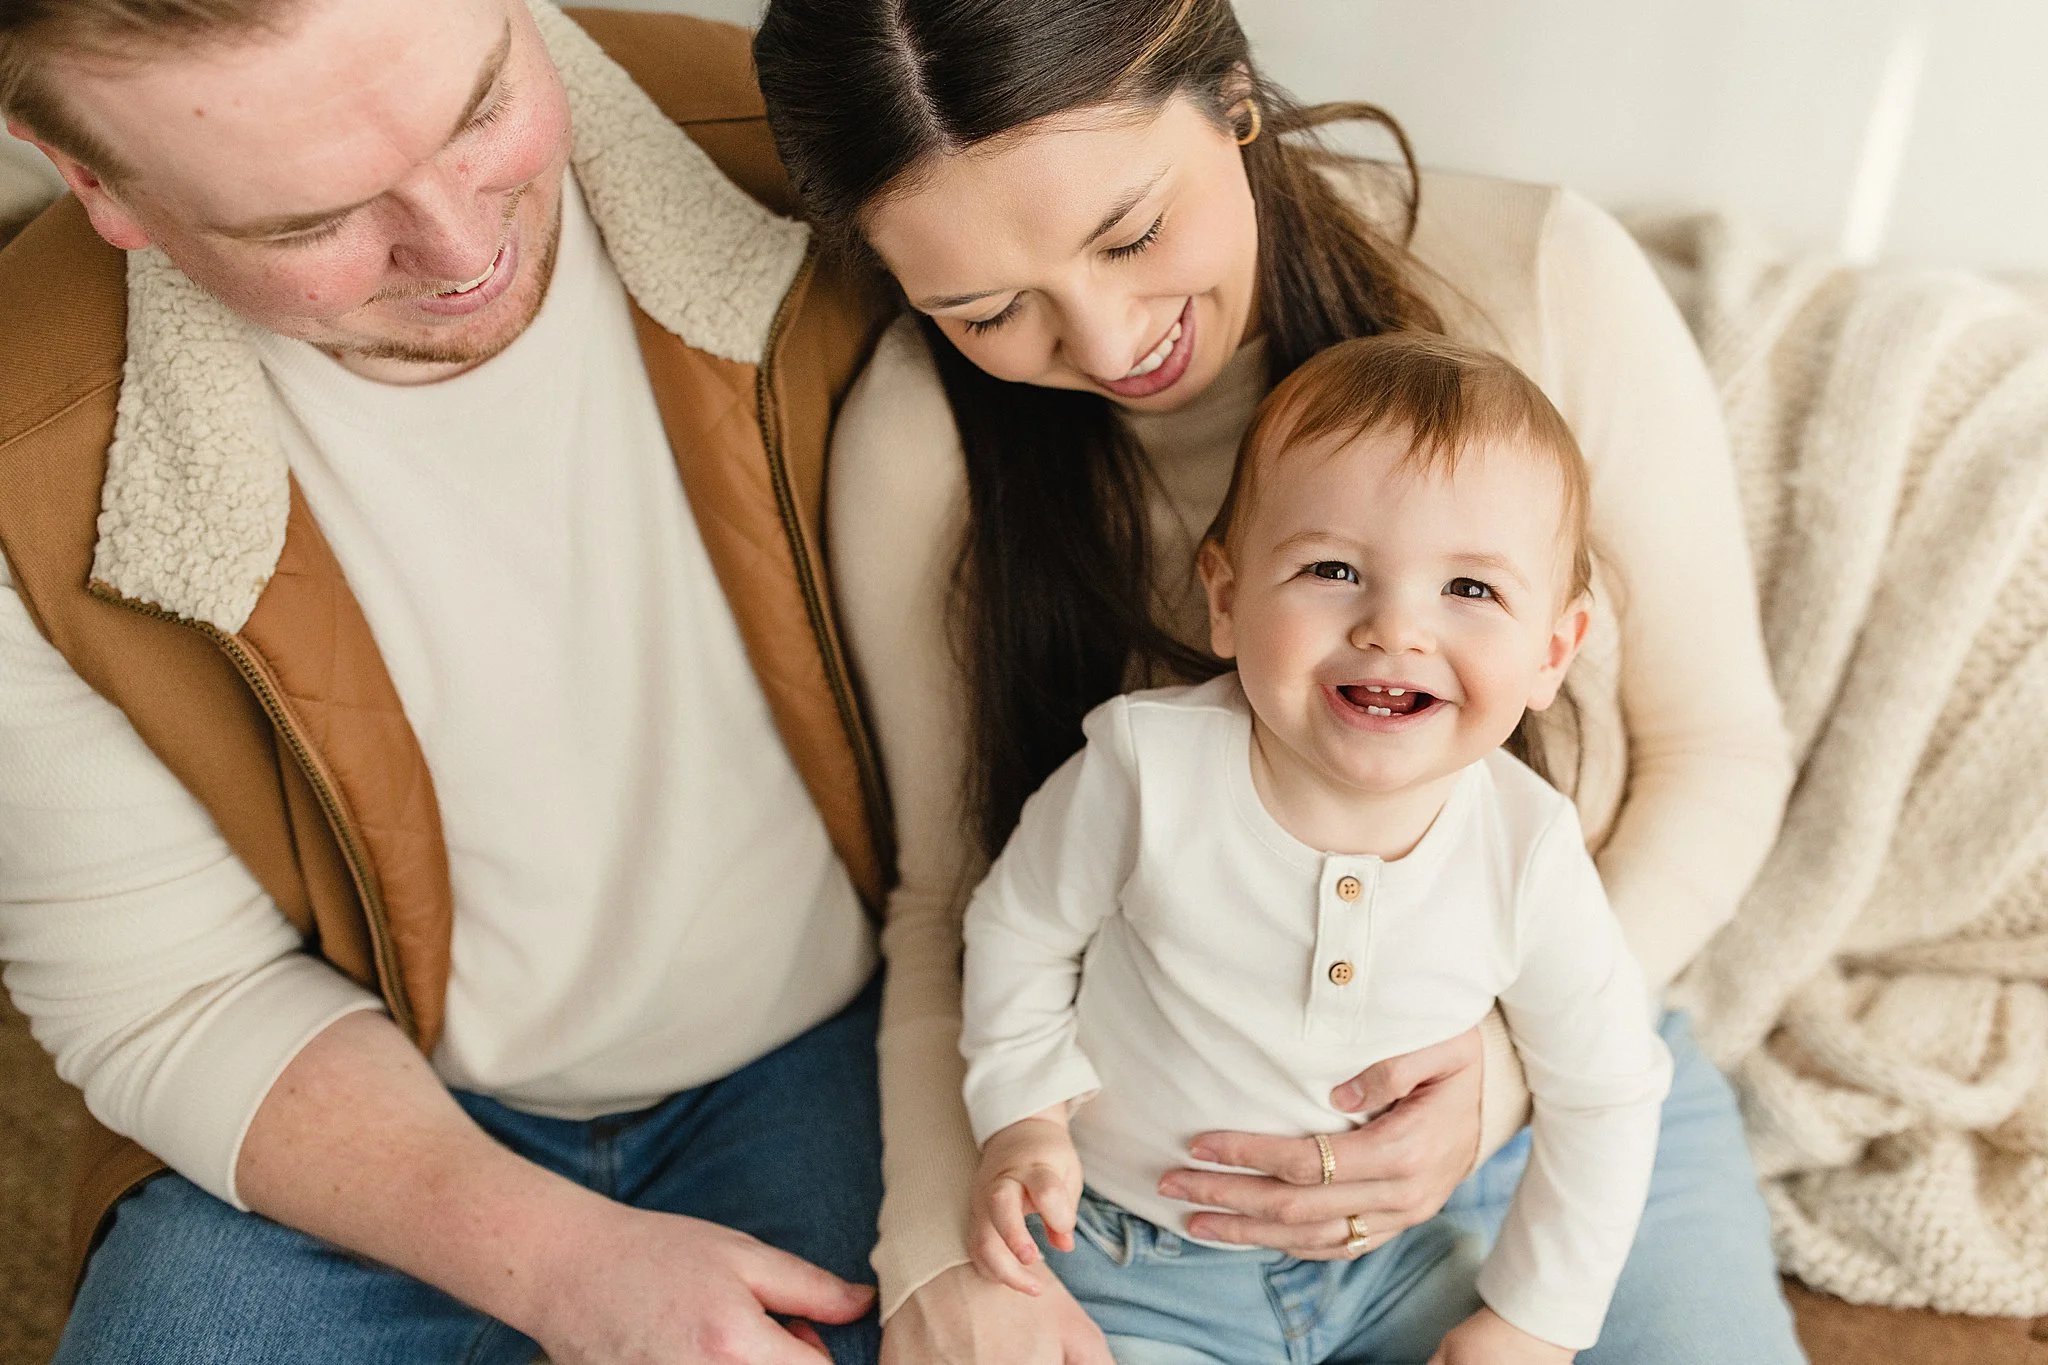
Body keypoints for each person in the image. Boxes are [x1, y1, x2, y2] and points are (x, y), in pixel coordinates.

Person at [751, 0, 1807, 1360]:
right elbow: (955, 900)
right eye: (988, 309)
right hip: (1140, 1189)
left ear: (1232, 90)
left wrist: (1498, 1085)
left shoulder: (1540, 273)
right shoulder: (921, 437)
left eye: (1130, 233)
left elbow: (1718, 752)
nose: (1107, 337)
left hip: (1554, 1095)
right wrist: (935, 1257)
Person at [0, 1, 894, 1361]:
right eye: (313, 223)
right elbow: (176, 997)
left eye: (480, 109)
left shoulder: (833, 144)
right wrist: (556, 1267)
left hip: (850, 1031)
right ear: (97, 182)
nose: (468, 249)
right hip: (339, 1101)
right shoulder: (20, 456)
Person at [958, 333, 1672, 1364]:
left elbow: (1602, 1088)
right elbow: (1017, 928)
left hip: (1393, 1265)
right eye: (1332, 569)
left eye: (1468, 590)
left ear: (1550, 652)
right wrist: (1020, 1112)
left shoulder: (1526, 849)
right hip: (1133, 1263)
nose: (1393, 629)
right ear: (1224, 597)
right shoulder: (1145, 769)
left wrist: (1528, 1322)